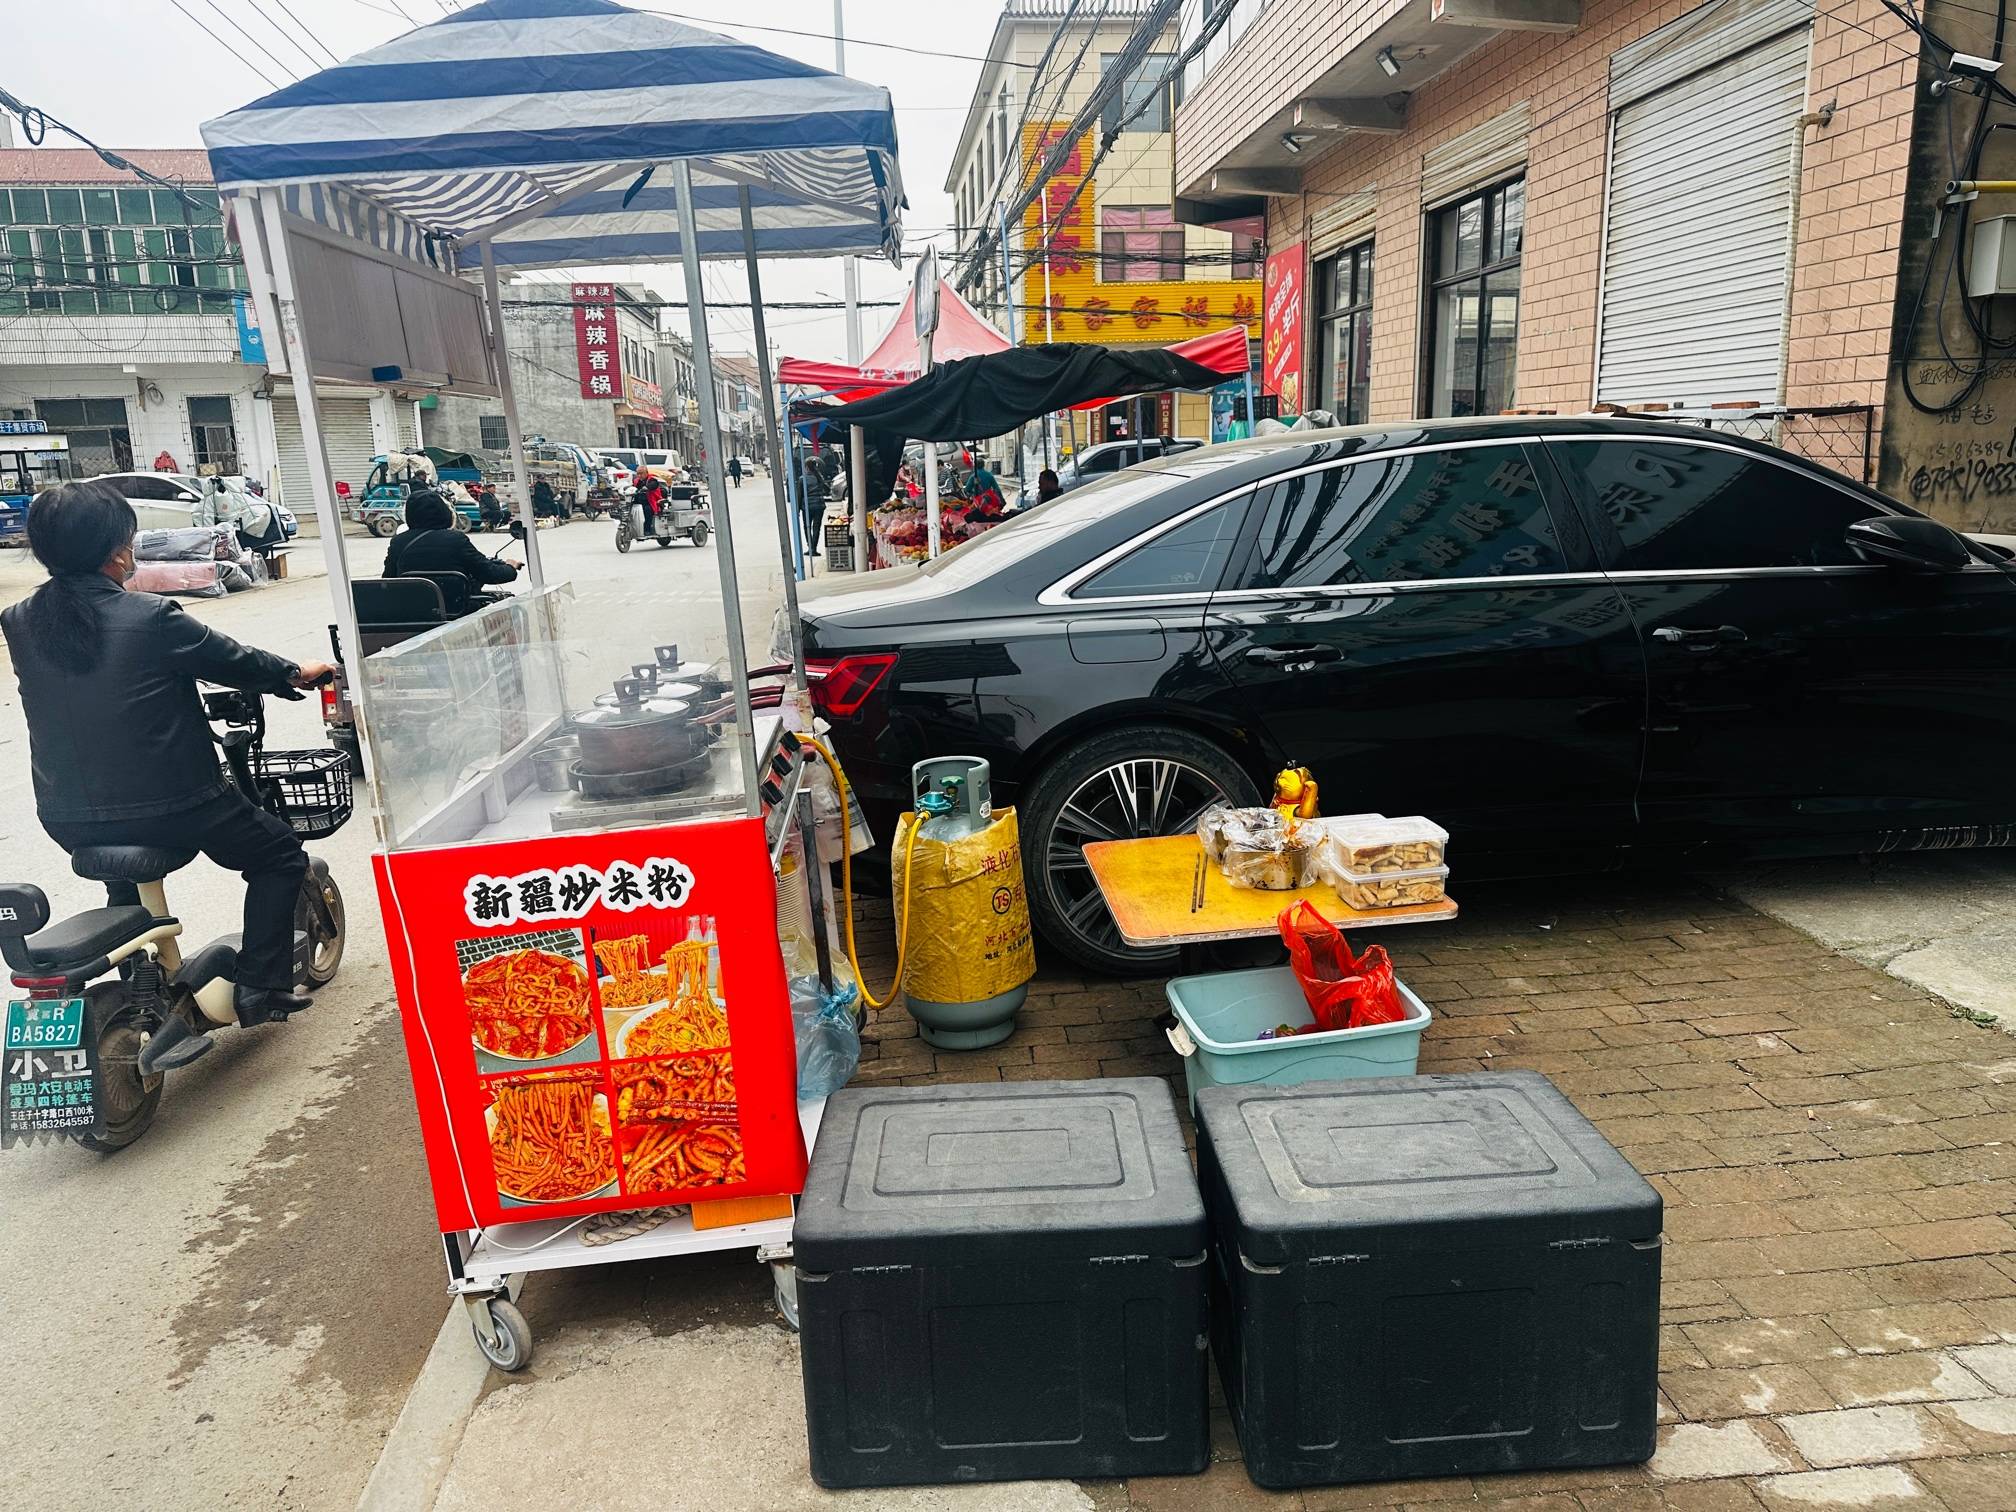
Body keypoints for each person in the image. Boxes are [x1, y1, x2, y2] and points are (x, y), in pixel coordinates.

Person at [0, 481, 337, 1066]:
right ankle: (261, 986)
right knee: (279, 854)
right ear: (117, 551)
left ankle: (144, 986)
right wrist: (294, 673)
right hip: (178, 805)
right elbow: (233, 661)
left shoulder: (20, 620)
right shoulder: (152, 616)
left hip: (67, 815)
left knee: (124, 880)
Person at [384, 490, 520, 586]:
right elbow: (488, 573)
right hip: (455, 610)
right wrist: (510, 567)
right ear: (444, 512)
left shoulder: (398, 542)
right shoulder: (456, 539)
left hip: (412, 612)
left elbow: (388, 580)